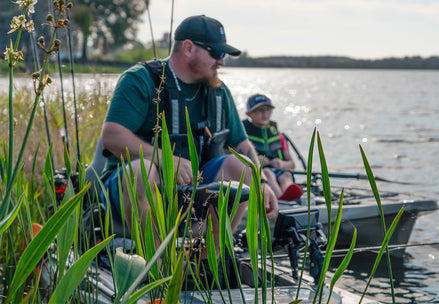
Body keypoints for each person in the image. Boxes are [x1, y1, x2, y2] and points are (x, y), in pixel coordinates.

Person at [100, 15, 278, 246]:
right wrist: (164, 158)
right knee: (142, 169)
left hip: (195, 191)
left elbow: (242, 145)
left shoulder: (218, 91)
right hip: (129, 191)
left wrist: (262, 183)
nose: (221, 62)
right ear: (188, 48)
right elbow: (112, 135)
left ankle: (211, 259)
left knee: (243, 166)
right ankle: (158, 265)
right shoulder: (139, 79)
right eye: (216, 53)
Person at [243, 94, 303, 201]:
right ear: (249, 114)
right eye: (260, 110)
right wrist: (255, 161)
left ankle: (290, 194)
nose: (265, 114)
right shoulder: (243, 135)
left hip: (279, 171)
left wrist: (281, 164)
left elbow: (291, 164)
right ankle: (280, 200)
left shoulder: (279, 136)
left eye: (268, 110)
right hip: (260, 175)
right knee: (268, 174)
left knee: (286, 175)